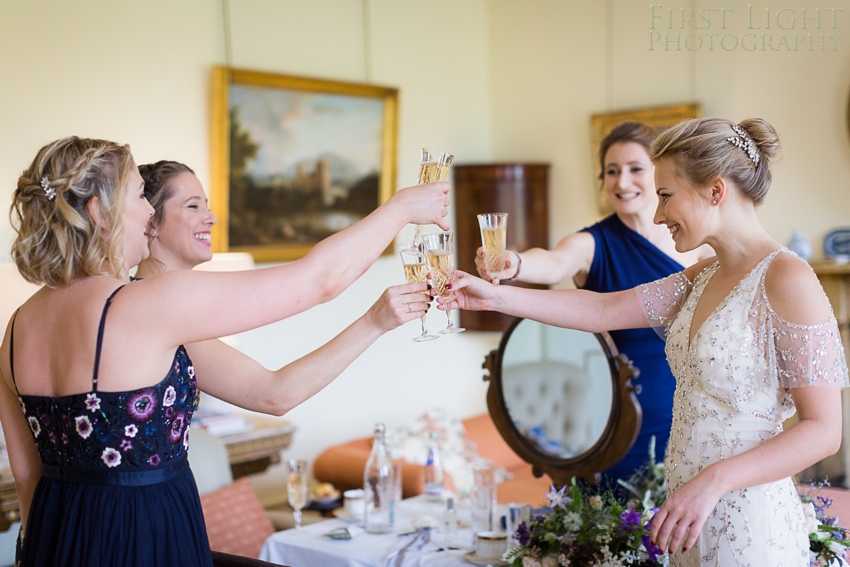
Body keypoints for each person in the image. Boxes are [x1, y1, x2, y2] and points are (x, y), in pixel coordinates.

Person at [0, 136, 449, 567]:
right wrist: (403, 207)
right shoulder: (144, 304)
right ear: (100, 212)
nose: (148, 215)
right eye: (139, 197)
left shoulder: (17, 327)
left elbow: (26, 475)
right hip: (145, 530)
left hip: (53, 534)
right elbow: (318, 281)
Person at [449, 117, 848, 565]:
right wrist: (496, 296)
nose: (657, 215)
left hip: (748, 523)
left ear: (715, 191)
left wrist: (713, 481)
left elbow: (824, 432)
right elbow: (602, 309)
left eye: (665, 196)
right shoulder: (704, 274)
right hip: (687, 518)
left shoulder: (788, 278)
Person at [475, 121, 710, 482]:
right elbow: (554, 263)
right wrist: (516, 263)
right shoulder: (592, 243)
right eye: (611, 172)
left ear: (659, 174)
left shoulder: (696, 245)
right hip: (622, 423)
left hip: (695, 414)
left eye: (635, 169)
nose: (621, 182)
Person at [134, 159, 423, 417]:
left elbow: (273, 392)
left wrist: (377, 321)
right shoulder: (154, 304)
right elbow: (275, 395)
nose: (211, 218)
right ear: (151, 222)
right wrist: (374, 322)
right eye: (193, 206)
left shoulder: (156, 301)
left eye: (207, 205)